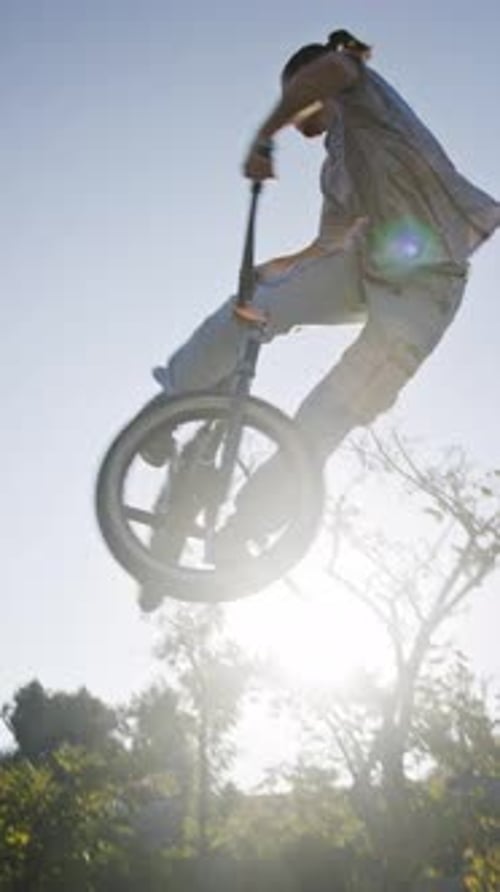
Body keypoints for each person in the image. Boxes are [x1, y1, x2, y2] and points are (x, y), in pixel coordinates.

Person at [147, 28, 500, 548]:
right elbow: (326, 246)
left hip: (427, 289)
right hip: (364, 265)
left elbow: (331, 70)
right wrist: (275, 268)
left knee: (331, 412)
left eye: (295, 100)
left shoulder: (360, 90)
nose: (293, 119)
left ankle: (247, 526)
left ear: (313, 85)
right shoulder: (336, 170)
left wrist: (264, 136)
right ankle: (172, 403)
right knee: (253, 305)